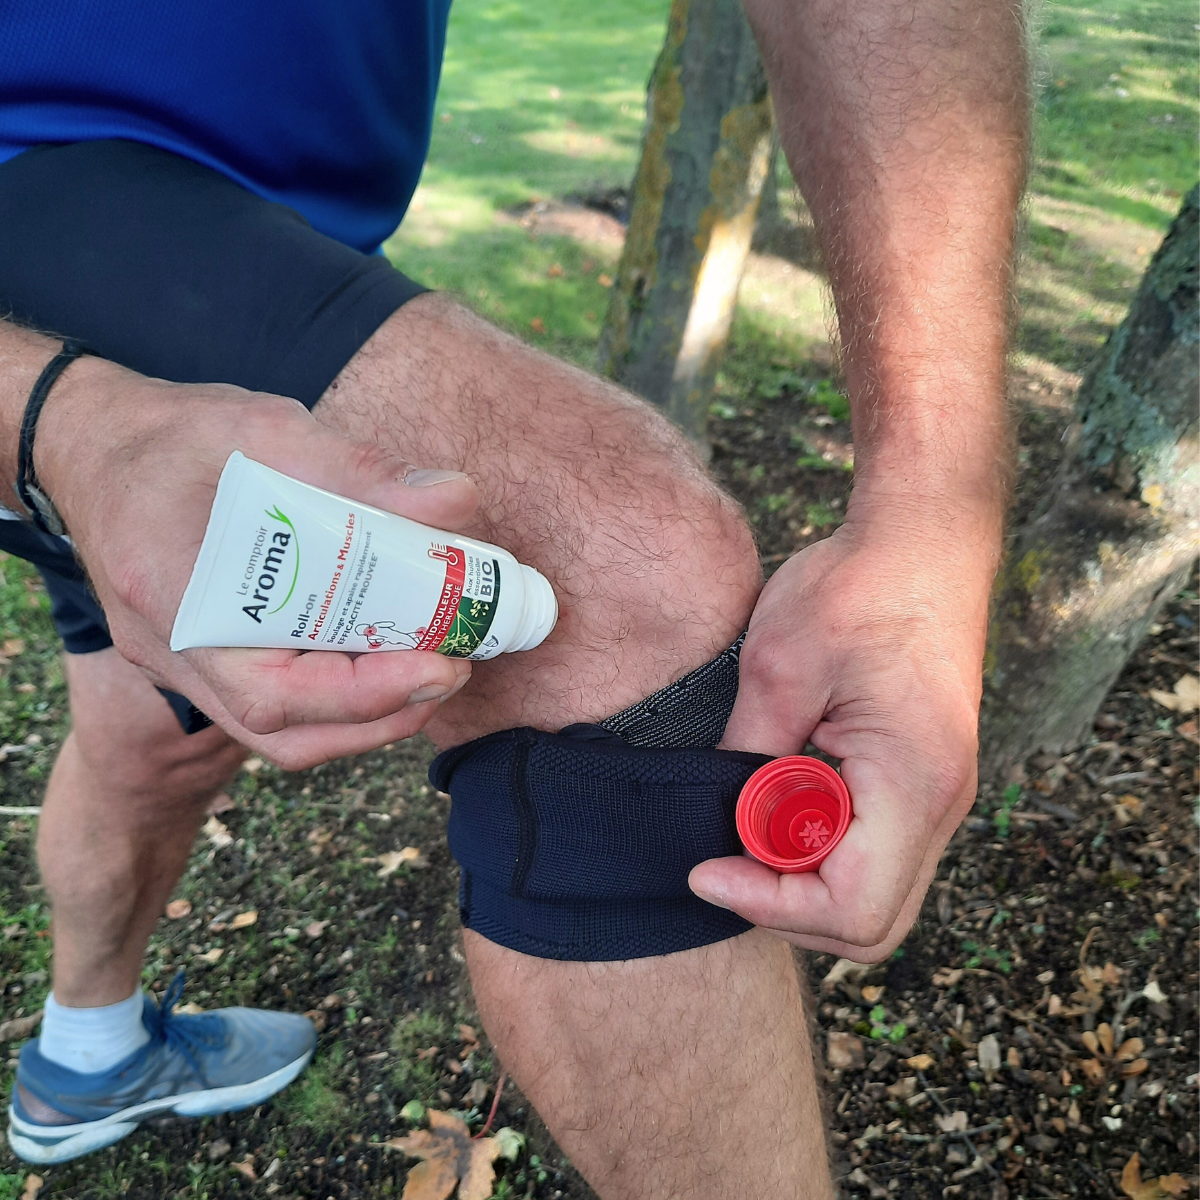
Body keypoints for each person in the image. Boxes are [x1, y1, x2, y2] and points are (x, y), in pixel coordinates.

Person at [0, 0, 1027, 1194]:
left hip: (276, 226)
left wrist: (931, 512)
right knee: (615, 576)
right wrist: (54, 418)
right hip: (41, 183)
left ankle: (89, 1057)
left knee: (159, 728)